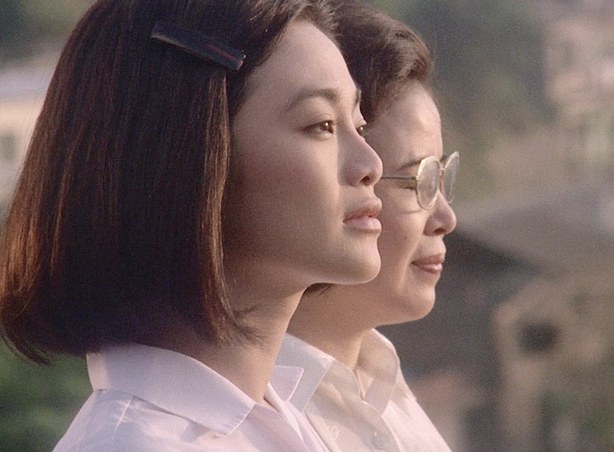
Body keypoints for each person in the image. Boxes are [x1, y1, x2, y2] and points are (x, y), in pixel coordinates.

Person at [0, 0, 384, 450]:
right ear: (187, 155)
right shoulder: (135, 444)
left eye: (359, 125)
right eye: (321, 124)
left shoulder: (288, 423)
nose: (371, 165)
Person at [276, 1, 457, 450]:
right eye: (419, 182)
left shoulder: (386, 387)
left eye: (442, 178)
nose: (445, 220)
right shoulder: (242, 423)